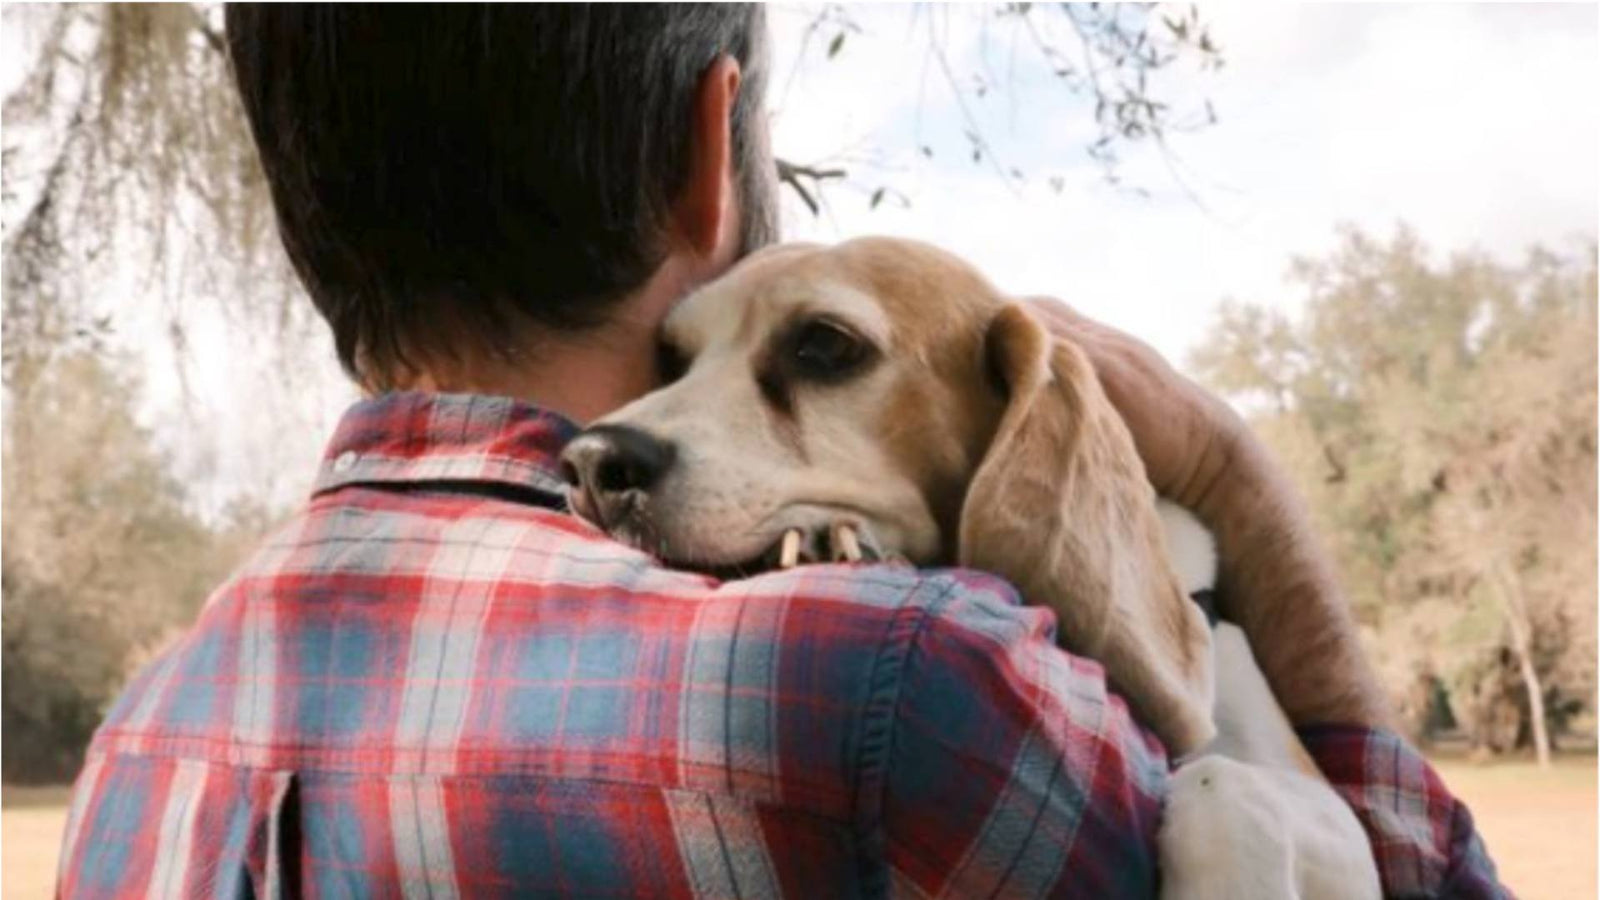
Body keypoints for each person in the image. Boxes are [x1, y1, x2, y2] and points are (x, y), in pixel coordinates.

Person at [56, 5, 1505, 898]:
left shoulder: (142, 745)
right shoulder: (902, 687)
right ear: (710, 148)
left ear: (307, 220)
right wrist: (1240, 483)